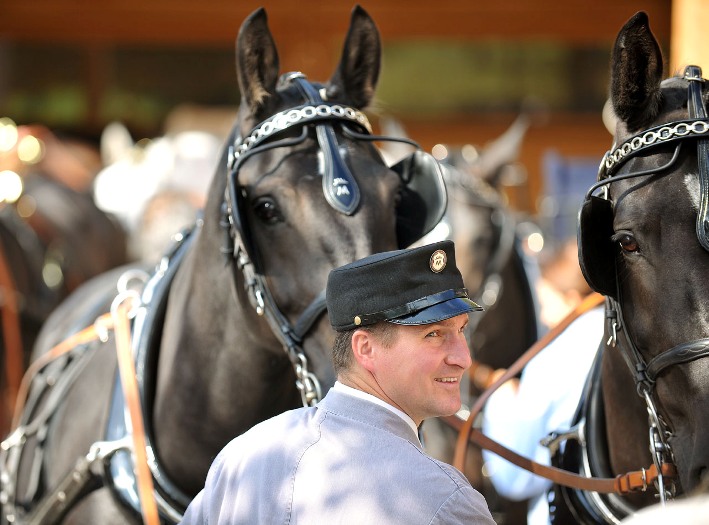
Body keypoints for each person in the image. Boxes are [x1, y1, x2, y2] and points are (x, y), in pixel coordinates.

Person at [180, 240, 497, 524]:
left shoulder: (243, 457)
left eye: (461, 330)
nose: (464, 358)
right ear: (366, 349)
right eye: (434, 334)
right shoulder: (445, 501)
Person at [480, 303, 604, 525]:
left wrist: (501, 399)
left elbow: (513, 477)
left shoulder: (555, 356)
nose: (544, 317)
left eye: (547, 302)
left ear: (572, 297)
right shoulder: (622, 335)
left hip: (571, 513)